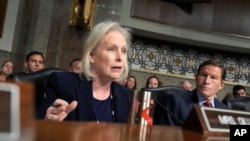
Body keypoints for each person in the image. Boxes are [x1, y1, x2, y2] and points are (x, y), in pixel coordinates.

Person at [37, 20, 132, 123]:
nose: (120, 58)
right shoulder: (63, 84)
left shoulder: (126, 95)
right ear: (92, 56)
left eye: (123, 51)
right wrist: (46, 122)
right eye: (111, 49)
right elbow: (33, 128)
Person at [158, 59, 228, 126]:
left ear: (221, 85)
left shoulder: (224, 110)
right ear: (196, 78)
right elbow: (165, 134)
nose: (206, 81)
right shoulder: (175, 101)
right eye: (203, 75)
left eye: (213, 77)